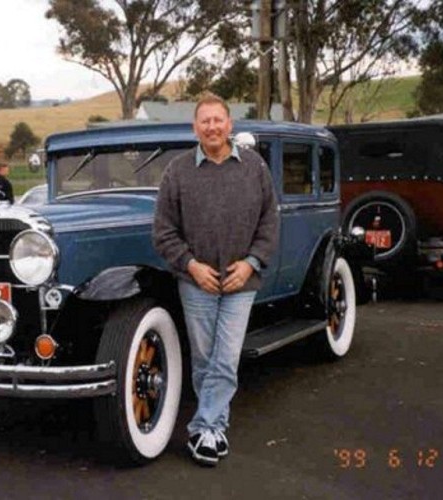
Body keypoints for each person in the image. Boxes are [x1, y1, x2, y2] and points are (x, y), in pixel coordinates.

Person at [152, 93, 280, 467]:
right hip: (197, 282)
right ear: (195, 128)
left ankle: (206, 429)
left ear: (230, 125)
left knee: (225, 358)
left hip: (243, 282)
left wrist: (251, 263)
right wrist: (191, 266)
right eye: (204, 121)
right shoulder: (177, 171)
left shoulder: (254, 167)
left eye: (218, 120)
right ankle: (213, 427)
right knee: (205, 359)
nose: (212, 127)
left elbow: (270, 223)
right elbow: (163, 231)